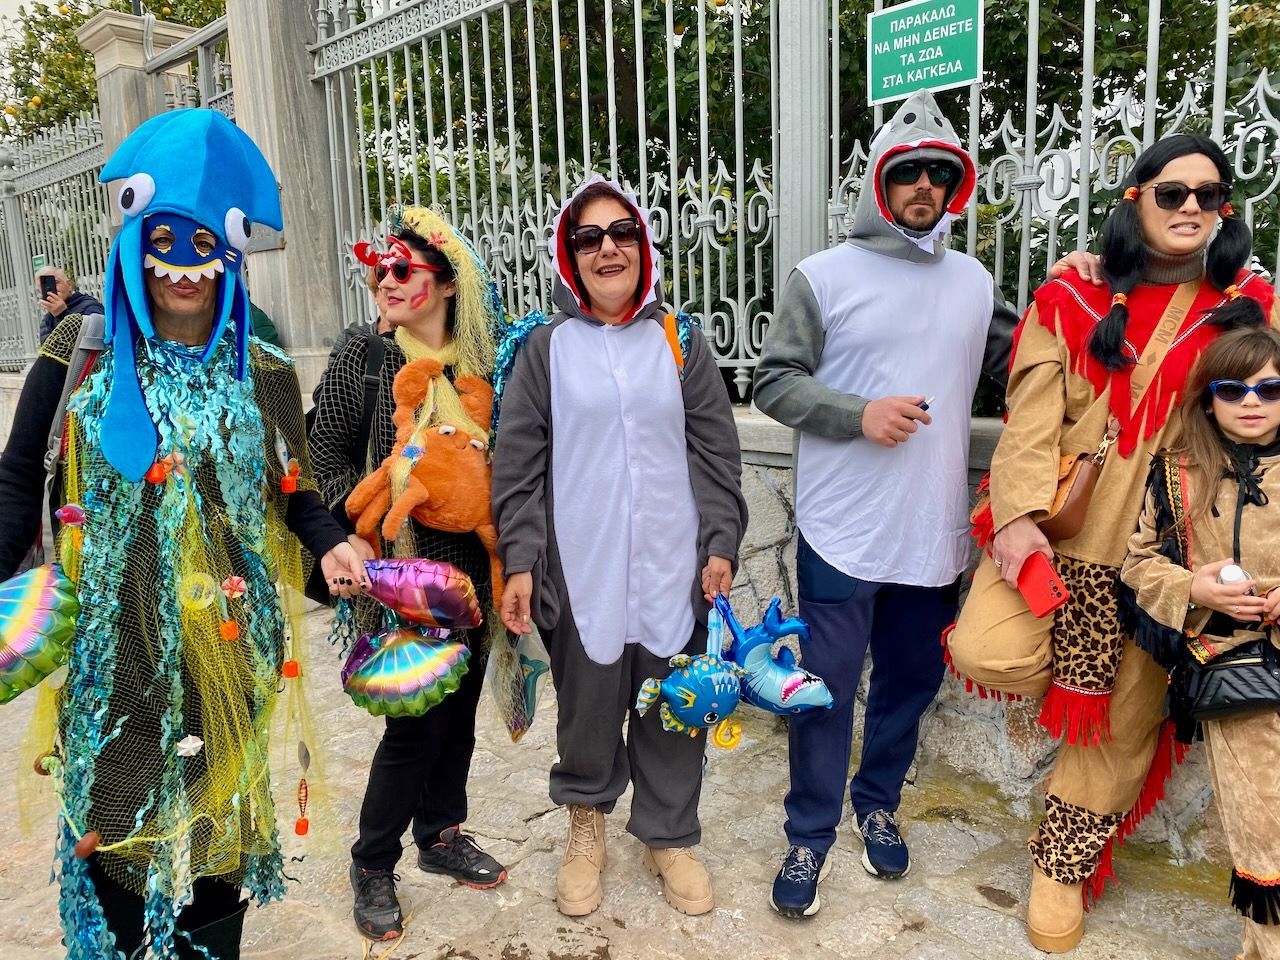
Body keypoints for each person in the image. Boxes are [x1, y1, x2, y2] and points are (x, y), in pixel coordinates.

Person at [0, 109, 367, 960]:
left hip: (230, 653)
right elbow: (19, 473)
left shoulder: (264, 360)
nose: (185, 268)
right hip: (113, 651)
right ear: (135, 234)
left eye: (206, 244)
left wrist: (332, 543)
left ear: (231, 252)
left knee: (213, 838)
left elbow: (294, 488)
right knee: (119, 834)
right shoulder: (80, 347)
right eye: (168, 239)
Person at [947, 132, 1277, 953]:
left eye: (1208, 195)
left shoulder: (1248, 308)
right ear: (1137, 199)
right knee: (991, 650)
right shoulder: (1072, 298)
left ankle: (1059, 868)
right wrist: (1018, 519)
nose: (1191, 207)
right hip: (1063, 532)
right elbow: (1028, 416)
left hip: (1167, 555)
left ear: (1226, 210)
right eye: (1172, 192)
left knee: (1120, 727)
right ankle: (1071, 672)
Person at [751, 89, 1019, 919]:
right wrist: (856, 414)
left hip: (932, 533)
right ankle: (808, 834)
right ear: (877, 181)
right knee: (824, 687)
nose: (925, 188)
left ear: (957, 186)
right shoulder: (821, 277)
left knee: (910, 679)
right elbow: (772, 381)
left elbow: (1037, 365)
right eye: (909, 174)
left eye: (941, 174)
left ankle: (878, 804)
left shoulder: (977, 284)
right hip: (842, 527)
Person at [492, 176, 747, 918]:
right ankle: (586, 825)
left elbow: (715, 452)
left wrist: (720, 540)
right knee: (590, 704)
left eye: (621, 233)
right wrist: (520, 559)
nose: (608, 248)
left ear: (644, 245)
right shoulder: (544, 348)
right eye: (588, 237)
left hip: (674, 564)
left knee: (676, 700)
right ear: (569, 256)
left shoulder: (681, 340)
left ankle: (668, 833)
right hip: (585, 564)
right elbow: (519, 463)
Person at [308, 207, 508, 942]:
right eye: (380, 270)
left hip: (475, 574)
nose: (386, 282)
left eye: (403, 271)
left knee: (458, 718)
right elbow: (323, 451)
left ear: (448, 283)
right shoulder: (363, 355)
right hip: (395, 575)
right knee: (412, 723)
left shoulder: (484, 363)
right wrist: (348, 533)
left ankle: (441, 832)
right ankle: (374, 858)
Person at [1120, 326, 1280, 960]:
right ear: (1207, 397)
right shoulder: (1177, 470)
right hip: (1236, 672)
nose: (1251, 401)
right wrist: (1196, 589)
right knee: (1263, 827)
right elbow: (1137, 564)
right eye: (1232, 388)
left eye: (1270, 387)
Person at [35, 265, 103, 344]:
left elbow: (93, 340)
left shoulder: (89, 306)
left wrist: (62, 314)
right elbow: (48, 349)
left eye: (55, 282)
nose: (50, 288)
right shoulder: (48, 318)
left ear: (69, 285)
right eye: (44, 286)